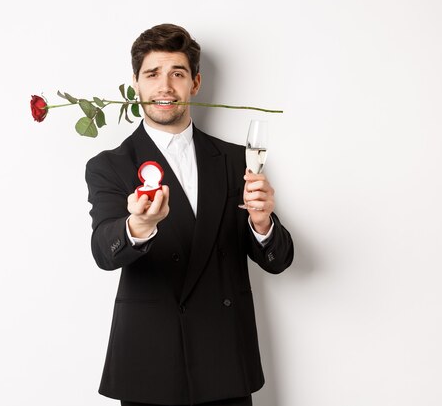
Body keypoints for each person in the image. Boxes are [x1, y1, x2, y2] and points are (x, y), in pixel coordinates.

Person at [85, 23, 294, 406]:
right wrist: (138, 226)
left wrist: (262, 224)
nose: (165, 86)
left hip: (225, 360)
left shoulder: (235, 160)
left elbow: (278, 261)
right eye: (152, 74)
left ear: (195, 83)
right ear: (136, 84)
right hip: (149, 362)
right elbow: (103, 251)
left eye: (177, 74)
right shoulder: (110, 165)